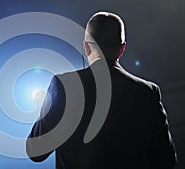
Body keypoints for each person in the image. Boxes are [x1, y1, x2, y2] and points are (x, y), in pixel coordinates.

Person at [26, 11, 177, 169]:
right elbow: (167, 161)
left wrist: (46, 107)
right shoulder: (148, 93)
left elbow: (36, 152)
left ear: (86, 47)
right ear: (122, 48)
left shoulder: (64, 85)